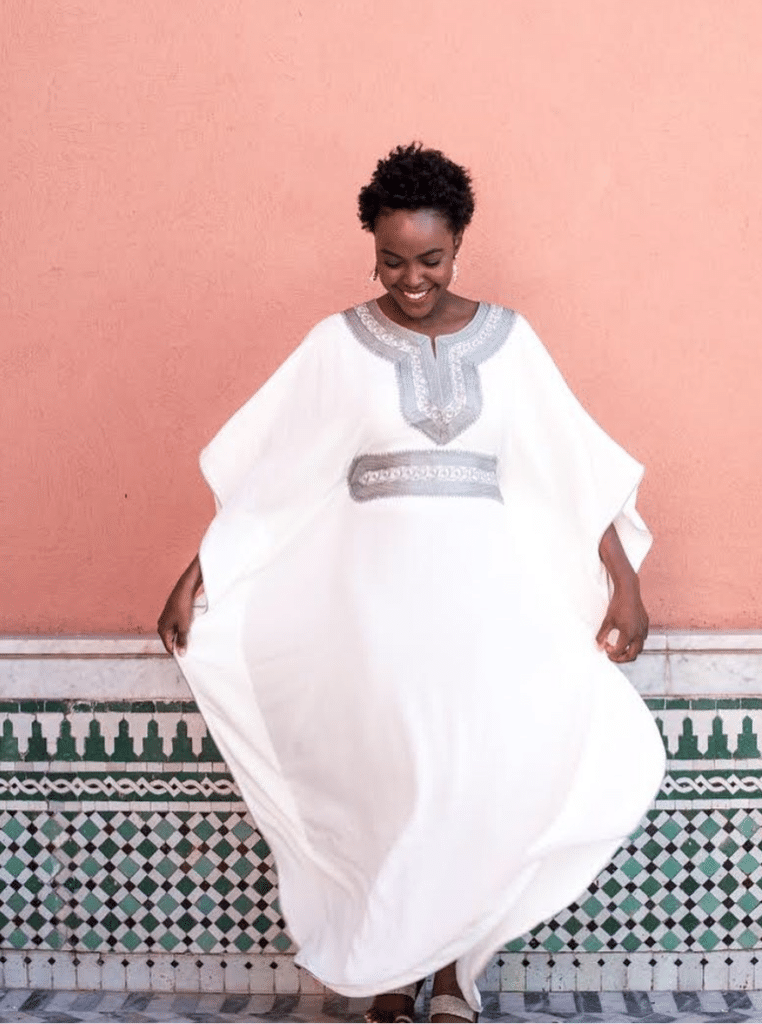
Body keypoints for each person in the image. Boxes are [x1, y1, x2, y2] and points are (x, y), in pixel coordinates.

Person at [158, 142, 666, 1024]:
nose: (411, 278)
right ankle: (392, 975)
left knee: (470, 783)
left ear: (459, 242)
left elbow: (565, 470)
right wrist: (198, 571)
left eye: (430, 258)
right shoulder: (336, 344)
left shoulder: (512, 341)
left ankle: (454, 978)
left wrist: (624, 583)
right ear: (373, 247)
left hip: (486, 607)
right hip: (373, 610)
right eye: (391, 260)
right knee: (391, 786)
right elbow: (277, 475)